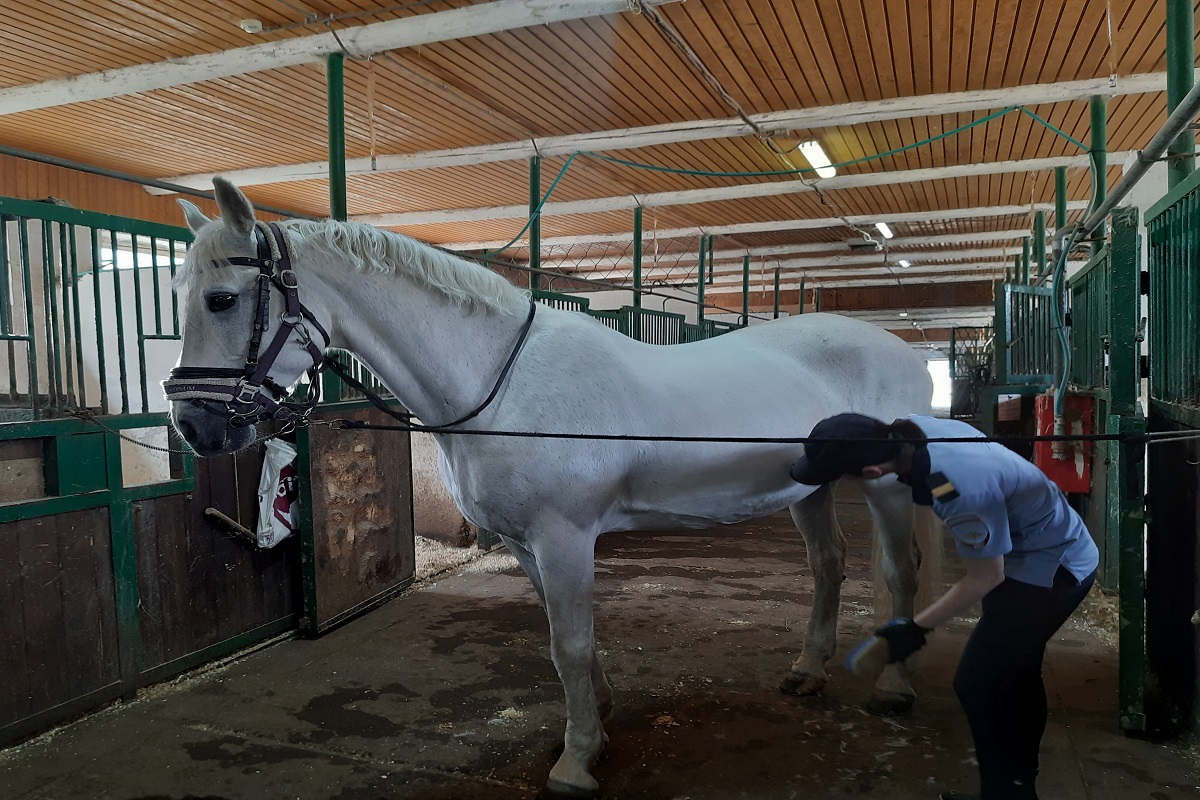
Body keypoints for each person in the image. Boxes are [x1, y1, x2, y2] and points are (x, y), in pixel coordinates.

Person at [788, 412, 1099, 800]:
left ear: (870, 472)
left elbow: (987, 576)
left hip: (1051, 569)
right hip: (1034, 548)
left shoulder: (955, 489)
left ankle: (1007, 793)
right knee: (1014, 673)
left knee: (977, 684)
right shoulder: (911, 429)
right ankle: (1013, 789)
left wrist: (913, 627)